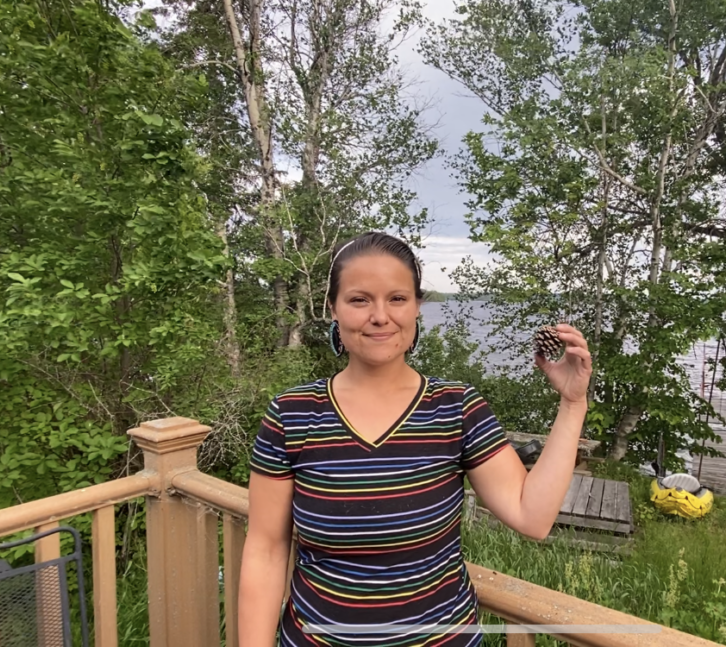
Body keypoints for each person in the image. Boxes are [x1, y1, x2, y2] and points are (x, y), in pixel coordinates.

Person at [238, 232, 593, 647]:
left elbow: (531, 517)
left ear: (417, 307)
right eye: (359, 299)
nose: (380, 316)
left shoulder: (455, 408)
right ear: (332, 307)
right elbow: (265, 551)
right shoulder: (292, 414)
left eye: (397, 299)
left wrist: (573, 405)